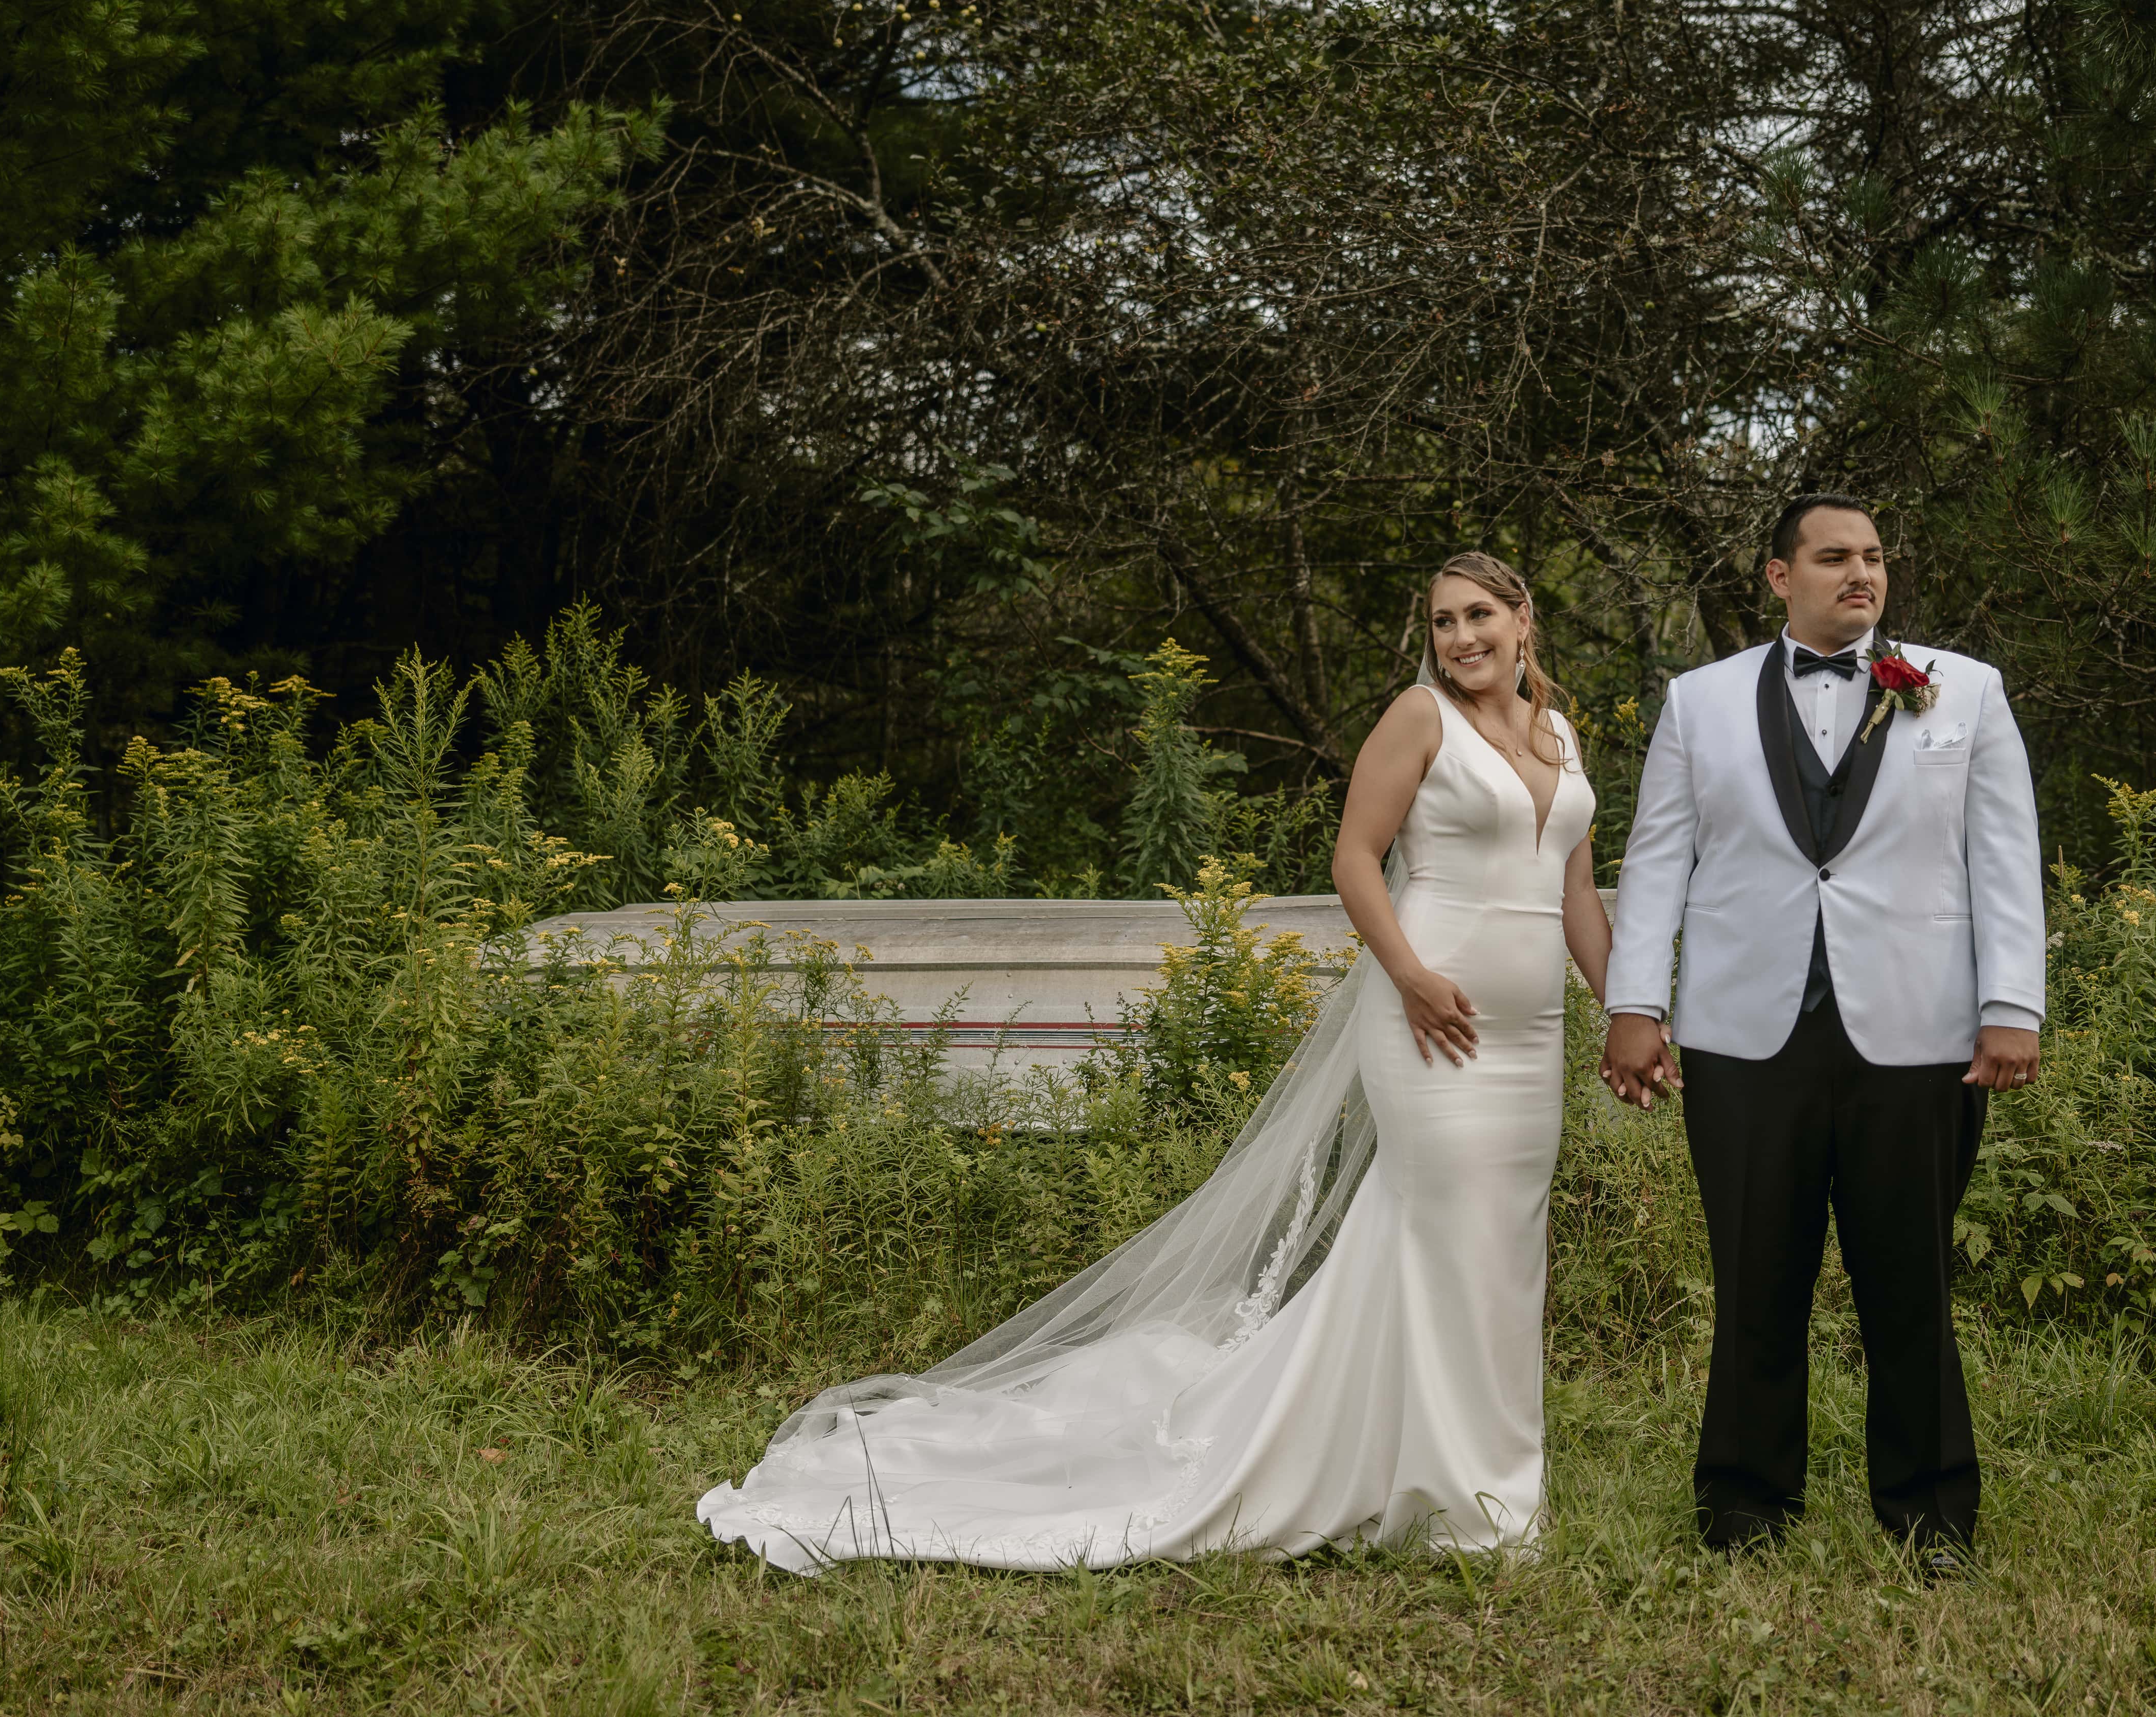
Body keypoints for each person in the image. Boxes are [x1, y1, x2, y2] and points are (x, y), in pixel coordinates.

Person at [697, 551, 1609, 1571]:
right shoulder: (1417, 717)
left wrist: (1630, 1008)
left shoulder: (1558, 734)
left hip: (1530, 1040)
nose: (1460, 638)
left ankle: (1468, 1471)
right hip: (1430, 1020)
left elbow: (1573, 893)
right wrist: (1408, 972)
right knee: (1443, 1240)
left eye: (1479, 614)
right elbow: (1356, 857)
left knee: (1500, 1254)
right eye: (1442, 621)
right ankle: (1459, 1503)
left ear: (1524, 619)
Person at [1600, 493, 2045, 1565]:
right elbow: (1658, 857)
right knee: (1755, 1279)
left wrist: (2011, 1004)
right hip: (1745, 1036)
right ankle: (1743, 1509)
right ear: (1777, 574)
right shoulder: (1699, 701)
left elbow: (2004, 854)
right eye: (1835, 556)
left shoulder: (1964, 691)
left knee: (1911, 1282)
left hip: (1921, 1031)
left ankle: (1931, 1516)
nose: (1862, 573)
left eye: (1875, 557)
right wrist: (1633, 1002)